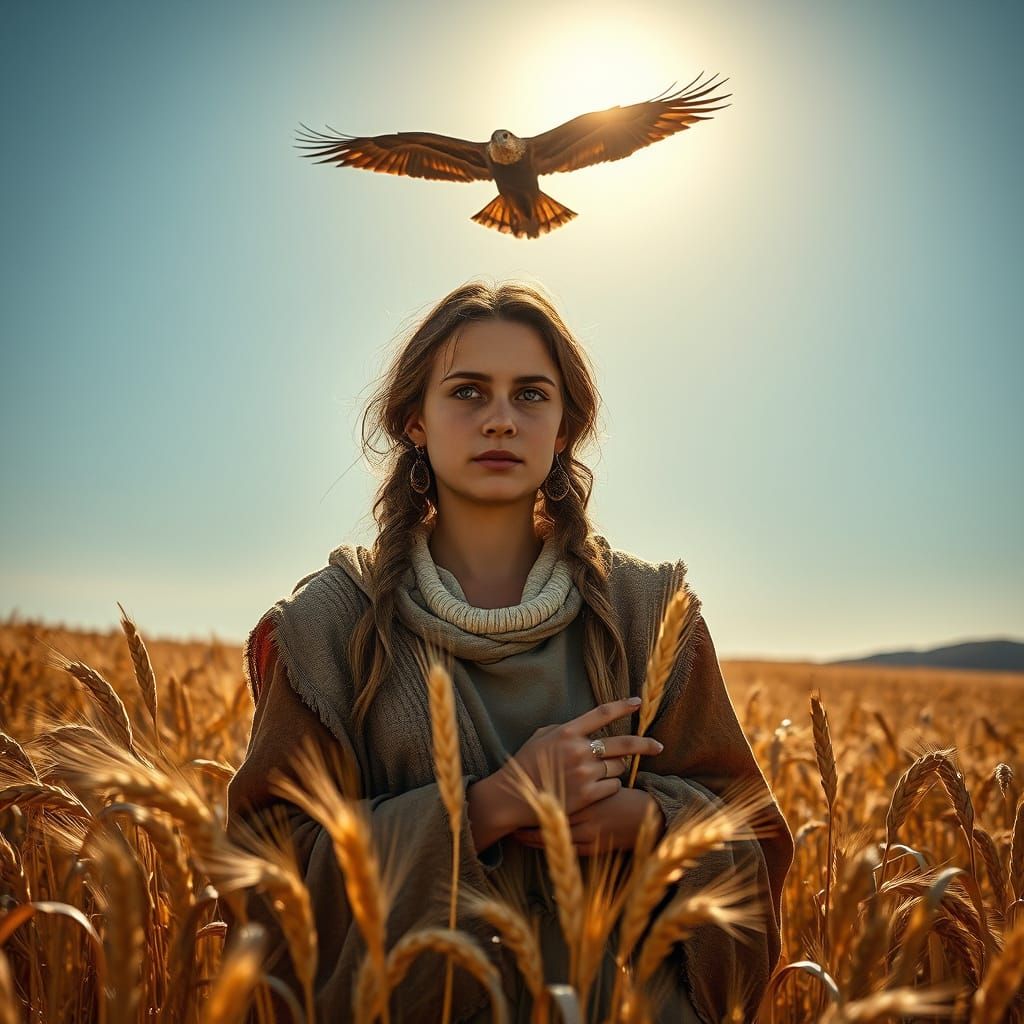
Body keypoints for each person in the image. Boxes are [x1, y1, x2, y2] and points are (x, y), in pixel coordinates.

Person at [224, 278, 795, 1023]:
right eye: (467, 392)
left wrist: (653, 823)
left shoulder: (651, 615)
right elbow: (264, 874)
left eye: (530, 395)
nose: (500, 419)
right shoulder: (331, 627)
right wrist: (488, 808)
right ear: (415, 421)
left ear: (563, 429)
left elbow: (754, 840)